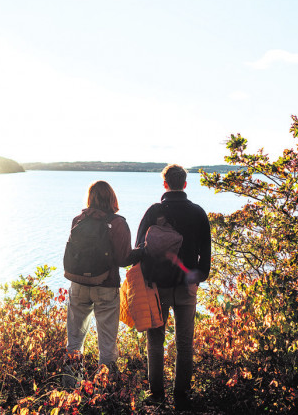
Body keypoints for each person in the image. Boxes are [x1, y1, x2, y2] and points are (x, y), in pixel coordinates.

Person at [135, 164, 211, 411]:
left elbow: (138, 248)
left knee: (155, 341)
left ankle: (156, 394)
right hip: (187, 288)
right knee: (184, 342)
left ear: (164, 184)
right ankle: (181, 395)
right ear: (185, 184)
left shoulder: (154, 211)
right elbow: (206, 257)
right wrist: (197, 278)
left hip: (158, 287)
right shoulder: (198, 213)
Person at [63, 180, 134, 387]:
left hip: (78, 286)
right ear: (112, 198)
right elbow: (123, 259)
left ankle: (71, 389)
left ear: (90, 198)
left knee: (74, 341)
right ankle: (106, 391)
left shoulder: (78, 220)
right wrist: (142, 252)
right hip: (106, 285)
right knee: (107, 344)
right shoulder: (118, 223)